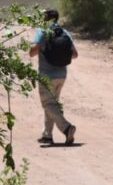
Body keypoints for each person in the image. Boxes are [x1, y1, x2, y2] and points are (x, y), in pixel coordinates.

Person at [29, 9, 78, 145]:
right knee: (52, 104)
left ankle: (66, 128)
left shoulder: (42, 31)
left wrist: (39, 47)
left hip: (46, 75)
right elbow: (74, 54)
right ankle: (47, 135)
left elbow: (32, 52)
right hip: (61, 75)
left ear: (45, 18)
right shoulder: (64, 32)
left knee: (47, 104)